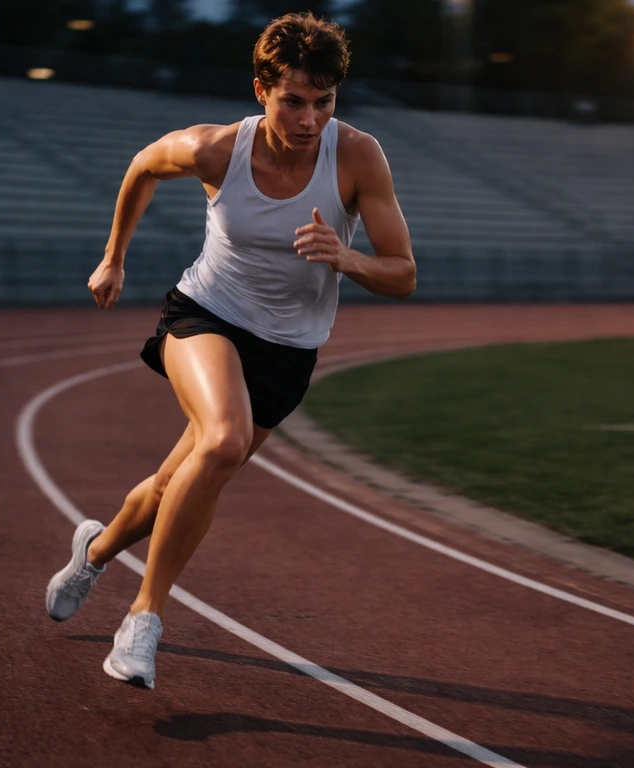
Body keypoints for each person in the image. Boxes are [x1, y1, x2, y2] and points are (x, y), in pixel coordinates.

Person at [45, 12, 415, 690]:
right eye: (293, 101)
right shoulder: (215, 149)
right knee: (221, 441)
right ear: (261, 91)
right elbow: (141, 166)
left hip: (290, 350)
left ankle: (93, 552)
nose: (309, 119)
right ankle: (144, 619)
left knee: (170, 487)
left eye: (324, 102)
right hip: (208, 315)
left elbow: (404, 274)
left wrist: (347, 259)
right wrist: (113, 259)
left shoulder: (358, 155)